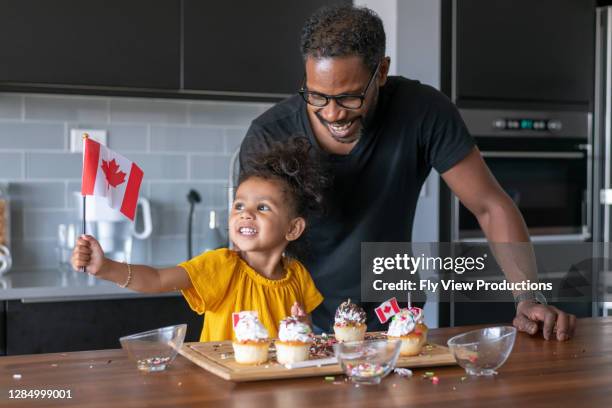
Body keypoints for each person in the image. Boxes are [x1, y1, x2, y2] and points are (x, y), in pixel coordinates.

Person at [239, 4, 576, 341]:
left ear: (381, 72)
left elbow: (490, 206)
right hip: (295, 322)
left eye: (348, 97)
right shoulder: (270, 135)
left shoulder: (423, 112)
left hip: (394, 322)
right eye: (317, 95)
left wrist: (528, 298)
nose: (332, 113)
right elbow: (252, 243)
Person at [72, 138, 326, 342]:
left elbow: (305, 330)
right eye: (239, 205)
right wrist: (106, 268)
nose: (245, 214)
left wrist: (304, 330)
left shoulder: (297, 275)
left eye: (262, 208)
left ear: (293, 228)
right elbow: (157, 279)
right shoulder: (221, 265)